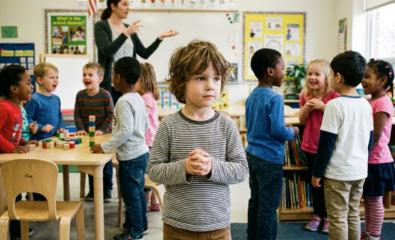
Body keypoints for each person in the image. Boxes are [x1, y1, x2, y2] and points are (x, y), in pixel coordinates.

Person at [146, 40, 248, 239]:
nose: (211, 86)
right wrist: (184, 167)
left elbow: (241, 171)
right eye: (201, 78)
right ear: (180, 83)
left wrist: (212, 167)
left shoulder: (227, 126)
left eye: (216, 78)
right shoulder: (168, 125)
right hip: (177, 226)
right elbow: (154, 172)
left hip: (218, 226)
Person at [312, 51, 373, 240]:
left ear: (338, 77)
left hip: (338, 174)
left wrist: (317, 173)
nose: (330, 78)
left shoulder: (334, 105)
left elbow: (326, 144)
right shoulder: (365, 104)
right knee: (353, 213)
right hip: (359, 171)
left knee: (337, 217)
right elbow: (369, 141)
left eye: (330, 74)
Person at [91, 57, 149, 240]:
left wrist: (105, 146)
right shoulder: (138, 98)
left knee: (130, 195)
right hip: (142, 152)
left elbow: (125, 131)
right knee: (138, 192)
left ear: (118, 77)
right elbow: (145, 125)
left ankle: (133, 232)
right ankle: (141, 225)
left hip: (130, 157)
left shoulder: (123, 101)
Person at [245, 48, 299, 240]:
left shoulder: (252, 95)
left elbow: (258, 124)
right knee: (269, 207)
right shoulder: (275, 97)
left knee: (256, 201)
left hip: (252, 154)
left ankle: (252, 236)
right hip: (269, 159)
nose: (284, 73)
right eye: (282, 68)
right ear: (270, 71)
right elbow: (278, 131)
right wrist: (292, 131)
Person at [95, 0, 179, 105]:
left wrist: (160, 38)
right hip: (110, 86)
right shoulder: (102, 26)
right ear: (113, 6)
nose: (128, 8)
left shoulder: (129, 28)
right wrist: (125, 33)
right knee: (113, 119)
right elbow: (108, 51)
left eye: (129, 5)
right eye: (124, 4)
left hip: (130, 86)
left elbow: (144, 53)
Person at [298, 59, 340, 233]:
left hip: (329, 148)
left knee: (329, 183)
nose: (312, 77)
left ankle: (329, 217)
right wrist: (306, 108)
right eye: (310, 74)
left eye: (317, 74)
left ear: (327, 77)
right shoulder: (305, 95)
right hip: (310, 146)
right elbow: (302, 121)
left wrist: (324, 107)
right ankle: (318, 215)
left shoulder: (334, 97)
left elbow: (338, 119)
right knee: (315, 183)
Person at [0, 65, 39, 240]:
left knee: (16, 192)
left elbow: (13, 133)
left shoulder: (18, 107)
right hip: (3, 160)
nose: (32, 87)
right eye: (29, 83)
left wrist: (23, 142)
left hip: (11, 158)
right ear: (14, 89)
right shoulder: (4, 107)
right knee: (8, 196)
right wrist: (12, 148)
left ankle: (16, 228)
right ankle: (11, 230)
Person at [360, 59, 395, 240]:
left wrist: (361, 155)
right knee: (367, 199)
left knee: (375, 201)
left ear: (381, 81)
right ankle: (368, 231)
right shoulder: (369, 100)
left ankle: (374, 235)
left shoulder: (382, 102)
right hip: (368, 160)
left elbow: (376, 135)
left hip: (377, 161)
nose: (362, 80)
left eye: (367, 76)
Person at [74, 63, 114, 202]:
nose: (86, 77)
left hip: (104, 136)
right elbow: (77, 114)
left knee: (105, 163)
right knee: (91, 162)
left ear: (100, 79)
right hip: (88, 136)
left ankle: (107, 190)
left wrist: (102, 130)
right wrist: (80, 129)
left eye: (90, 75)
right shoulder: (80, 95)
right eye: (84, 75)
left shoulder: (105, 95)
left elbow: (110, 115)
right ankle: (93, 190)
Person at [135, 62, 161, 212]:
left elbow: (142, 118)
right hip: (150, 140)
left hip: (147, 141)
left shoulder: (145, 97)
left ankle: (145, 205)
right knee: (150, 173)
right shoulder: (149, 96)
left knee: (146, 175)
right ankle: (154, 202)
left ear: (144, 80)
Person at [25, 62, 64, 141]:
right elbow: (27, 118)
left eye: (57, 77)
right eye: (52, 77)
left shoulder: (56, 99)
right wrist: (41, 127)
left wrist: (60, 128)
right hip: (38, 140)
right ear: (40, 80)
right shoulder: (34, 99)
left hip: (54, 139)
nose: (56, 80)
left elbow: (59, 116)